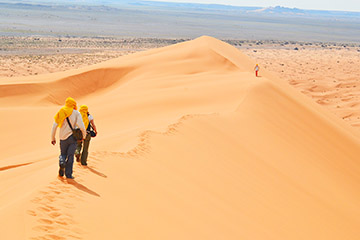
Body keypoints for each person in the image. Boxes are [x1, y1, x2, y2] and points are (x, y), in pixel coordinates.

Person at [51, 97, 86, 179]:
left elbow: (54, 126)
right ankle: (68, 174)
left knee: (63, 154)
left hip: (62, 137)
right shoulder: (76, 113)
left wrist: (53, 138)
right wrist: (83, 136)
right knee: (70, 156)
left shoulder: (61, 111)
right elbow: (81, 126)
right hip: (72, 138)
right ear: (73, 104)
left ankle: (62, 163)